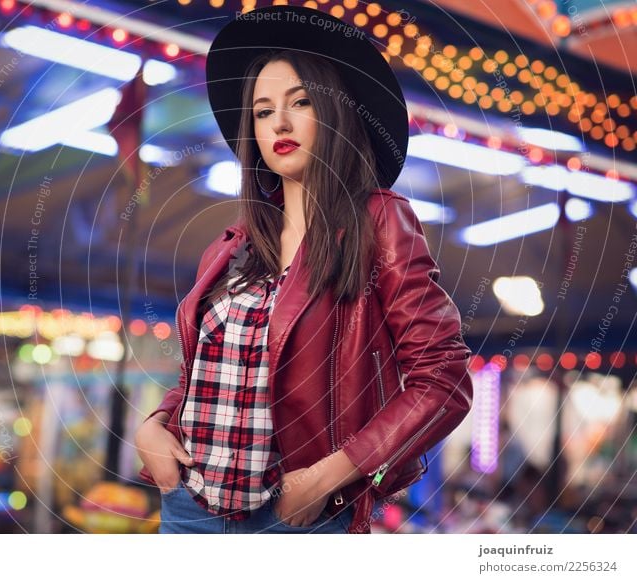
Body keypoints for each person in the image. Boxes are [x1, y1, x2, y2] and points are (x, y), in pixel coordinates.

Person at [134, 5, 473, 534]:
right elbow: (203, 375)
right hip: (188, 511)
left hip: (296, 517)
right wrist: (153, 426)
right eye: (264, 111)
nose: (281, 123)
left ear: (335, 113)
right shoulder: (234, 245)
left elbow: (443, 381)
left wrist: (324, 479)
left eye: (301, 102)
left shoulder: (379, 220)